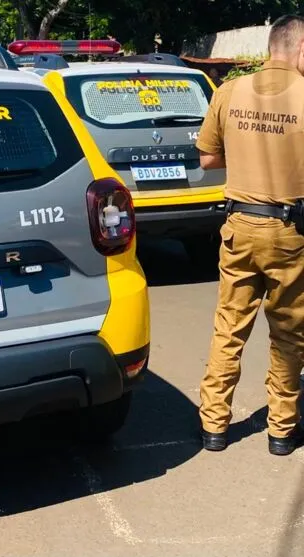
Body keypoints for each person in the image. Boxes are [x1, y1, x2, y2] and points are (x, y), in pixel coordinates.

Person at [196, 14, 304, 456]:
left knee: (229, 327)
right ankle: (281, 430)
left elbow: (206, 159)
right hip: (290, 231)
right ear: (300, 49)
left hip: (239, 226)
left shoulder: (229, 91)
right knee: (288, 332)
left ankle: (214, 426)